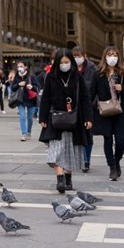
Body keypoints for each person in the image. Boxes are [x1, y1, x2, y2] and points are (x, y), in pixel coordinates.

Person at [39, 48, 93, 194]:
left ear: (71, 62)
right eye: (62, 62)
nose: (64, 64)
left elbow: (85, 98)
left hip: (75, 119)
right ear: (57, 62)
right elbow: (45, 98)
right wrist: (42, 117)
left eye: (67, 62)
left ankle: (68, 178)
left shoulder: (77, 77)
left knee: (72, 150)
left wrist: (88, 118)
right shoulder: (51, 77)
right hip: (55, 119)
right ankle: (60, 179)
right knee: (55, 151)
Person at [90, 46, 124, 181]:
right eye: (109, 54)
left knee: (120, 141)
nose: (112, 57)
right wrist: (91, 109)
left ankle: (117, 160)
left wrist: (123, 89)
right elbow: (92, 92)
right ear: (105, 57)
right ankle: (112, 167)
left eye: (114, 54)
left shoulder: (123, 73)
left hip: (120, 110)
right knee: (107, 139)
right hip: (104, 110)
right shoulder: (98, 74)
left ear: (118, 57)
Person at [73, 47, 98, 172]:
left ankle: (86, 160)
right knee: (75, 135)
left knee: (88, 135)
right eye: (75, 56)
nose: (77, 58)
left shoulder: (93, 70)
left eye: (79, 55)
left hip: (89, 107)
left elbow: (96, 89)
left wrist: (93, 104)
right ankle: (77, 159)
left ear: (85, 56)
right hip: (72, 108)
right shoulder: (69, 69)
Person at [11, 61, 40, 140]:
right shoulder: (17, 76)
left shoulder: (31, 76)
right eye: (18, 66)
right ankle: (24, 134)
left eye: (21, 66)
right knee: (22, 116)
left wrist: (32, 87)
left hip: (31, 99)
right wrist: (18, 84)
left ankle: (29, 132)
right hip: (20, 99)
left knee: (30, 118)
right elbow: (12, 88)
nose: (19, 68)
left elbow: (38, 87)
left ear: (25, 67)